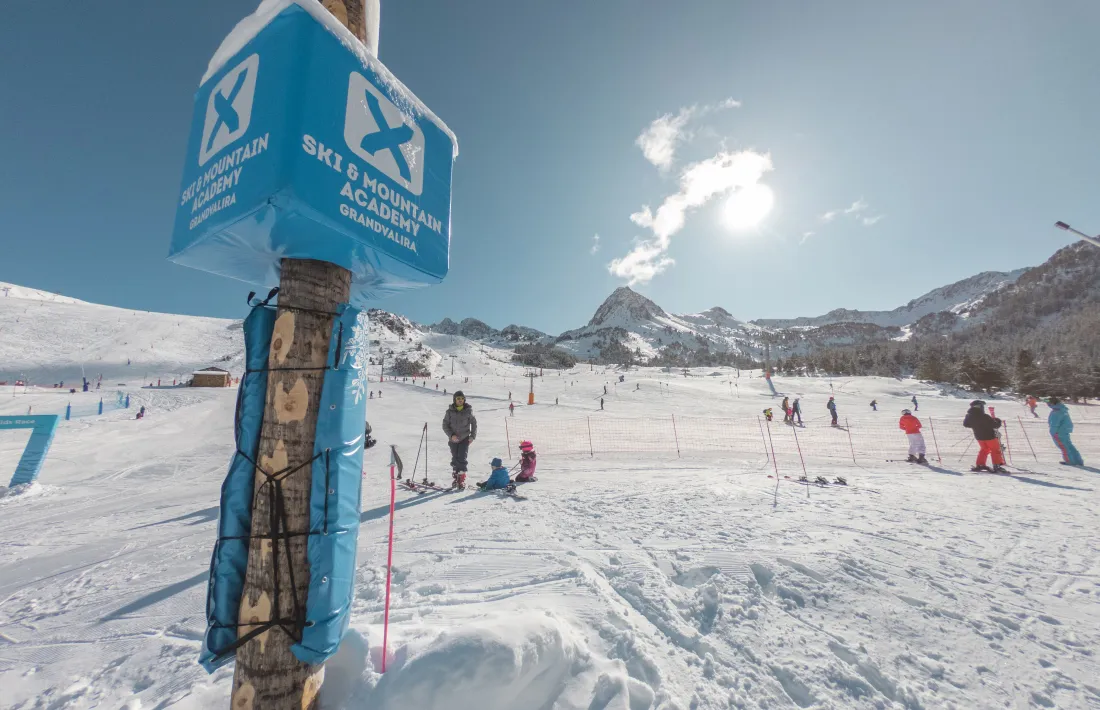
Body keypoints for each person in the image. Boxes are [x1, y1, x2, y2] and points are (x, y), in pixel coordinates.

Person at [442, 391, 477, 489]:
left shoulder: (468, 411)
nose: (460, 400)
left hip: (464, 438)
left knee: (462, 457)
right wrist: (451, 435)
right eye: (458, 399)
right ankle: (456, 476)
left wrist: (472, 436)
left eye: (462, 398)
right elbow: (445, 425)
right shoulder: (449, 412)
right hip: (453, 439)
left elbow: (474, 423)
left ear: (464, 400)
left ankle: (461, 478)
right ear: (454, 400)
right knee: (455, 458)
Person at [963, 400, 1006, 473]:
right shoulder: (984, 416)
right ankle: (997, 465)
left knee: (984, 449)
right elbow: (995, 425)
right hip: (989, 436)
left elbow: (966, 424)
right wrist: (998, 421)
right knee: (995, 450)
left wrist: (976, 425)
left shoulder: (969, 416)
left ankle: (980, 464)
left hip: (979, 437)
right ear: (980, 407)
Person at [1047, 397, 1084, 466]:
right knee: (1069, 445)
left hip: (1059, 432)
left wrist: (1053, 433)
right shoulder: (1062, 409)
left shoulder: (1056, 411)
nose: (1047, 404)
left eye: (1048, 402)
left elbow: (1054, 424)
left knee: (1064, 447)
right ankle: (1078, 460)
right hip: (1064, 431)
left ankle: (1069, 461)